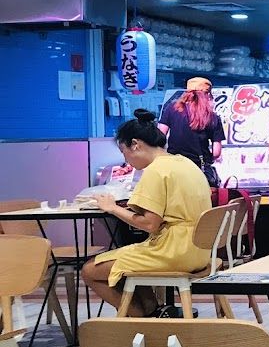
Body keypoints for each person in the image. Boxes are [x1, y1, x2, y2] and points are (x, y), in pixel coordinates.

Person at [82, 110, 213, 317]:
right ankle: (154, 313)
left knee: (89, 270)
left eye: (123, 151)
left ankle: (141, 320)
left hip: (174, 252)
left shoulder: (155, 170)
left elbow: (150, 224)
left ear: (135, 144)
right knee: (130, 257)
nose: (125, 159)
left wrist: (112, 207)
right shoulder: (184, 163)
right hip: (200, 251)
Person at [158, 76, 225, 187]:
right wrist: (210, 157)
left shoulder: (172, 108)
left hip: (174, 166)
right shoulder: (213, 118)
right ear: (208, 95)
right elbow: (216, 152)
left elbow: (160, 136)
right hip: (198, 169)